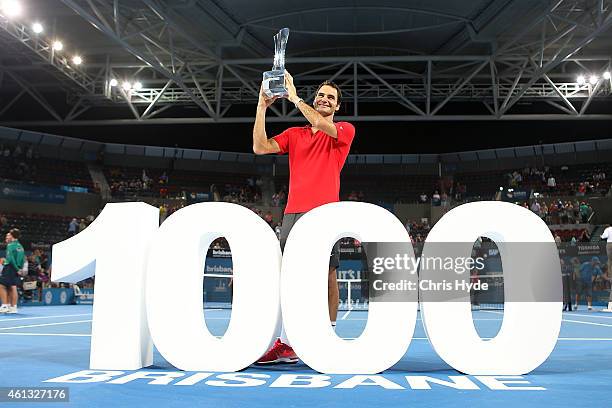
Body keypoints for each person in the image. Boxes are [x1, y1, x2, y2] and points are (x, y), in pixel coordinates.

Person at [252, 72, 355, 364]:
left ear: (336, 108)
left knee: (328, 277)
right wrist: (262, 107)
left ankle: (328, 339)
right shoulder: (294, 135)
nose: (325, 99)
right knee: (290, 280)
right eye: (321, 95)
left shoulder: (344, 130)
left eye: (330, 98)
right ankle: (287, 343)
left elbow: (321, 124)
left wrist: (294, 96)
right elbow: (260, 146)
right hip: (293, 214)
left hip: (324, 214)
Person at [0, 229, 25, 314]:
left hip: (10, 267)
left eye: (9, 235)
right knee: (12, 287)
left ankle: (5, 305)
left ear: (12, 235)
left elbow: (10, 259)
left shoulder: (10, 245)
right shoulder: (20, 246)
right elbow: (22, 260)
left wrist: (17, 269)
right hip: (16, 268)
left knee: (2, 286)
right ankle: (13, 307)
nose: (7, 236)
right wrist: (19, 268)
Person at [601, 224, 612, 312]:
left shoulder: (608, 229)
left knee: (610, 260)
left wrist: (601, 236)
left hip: (610, 244)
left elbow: (605, 236)